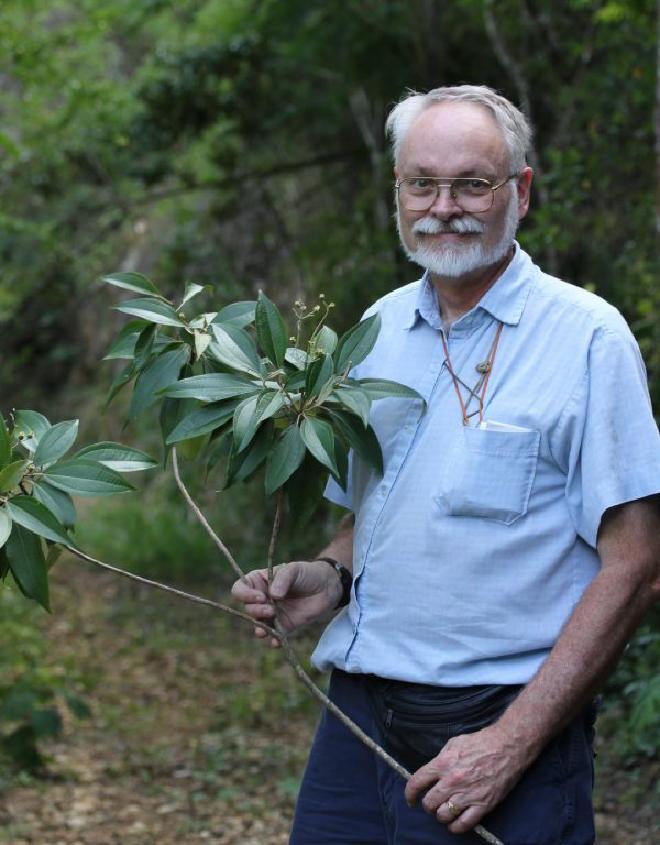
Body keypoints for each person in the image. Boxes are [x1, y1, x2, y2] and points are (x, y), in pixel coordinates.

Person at [232, 85, 660, 845]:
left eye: (472, 184)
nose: (443, 207)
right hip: (357, 713)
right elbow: (374, 515)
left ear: (520, 191)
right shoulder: (379, 327)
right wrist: (327, 577)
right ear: (397, 191)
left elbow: (636, 567)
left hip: (496, 721)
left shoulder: (588, 338)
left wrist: (512, 742)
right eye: (421, 183)